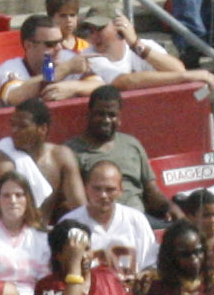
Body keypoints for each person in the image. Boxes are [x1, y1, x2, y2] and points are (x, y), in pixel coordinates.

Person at [29, 214, 146, 295]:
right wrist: (74, 264)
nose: (83, 256)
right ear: (58, 255)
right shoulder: (48, 286)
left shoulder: (109, 277)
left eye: (87, 249)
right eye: (75, 251)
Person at [64, 85, 178, 221]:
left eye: (111, 115)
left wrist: (170, 207)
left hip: (140, 219)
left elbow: (151, 191)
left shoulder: (132, 144)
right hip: (98, 222)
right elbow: (69, 201)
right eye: (100, 114)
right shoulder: (70, 152)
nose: (106, 120)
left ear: (119, 117)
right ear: (89, 115)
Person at [0, 97, 83, 219]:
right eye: (13, 125)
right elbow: (6, 215)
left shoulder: (61, 156)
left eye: (22, 126)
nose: (14, 131)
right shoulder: (2, 161)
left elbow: (79, 208)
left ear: (42, 129)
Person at [62, 158, 158, 275]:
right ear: (86, 188)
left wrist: (142, 278)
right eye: (97, 189)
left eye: (110, 189)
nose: (103, 195)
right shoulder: (69, 223)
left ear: (121, 190)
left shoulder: (136, 220)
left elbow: (151, 265)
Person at [0, 10, 97, 106]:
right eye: (51, 44)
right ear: (29, 45)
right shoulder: (9, 69)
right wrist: (65, 69)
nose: (59, 48)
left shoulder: (67, 57)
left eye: (60, 41)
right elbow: (15, 97)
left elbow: (98, 85)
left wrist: (73, 87)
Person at [0, 168, 51, 295]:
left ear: (28, 199)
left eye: (18, 195)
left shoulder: (41, 238)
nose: (13, 200)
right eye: (6, 195)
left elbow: (45, 282)